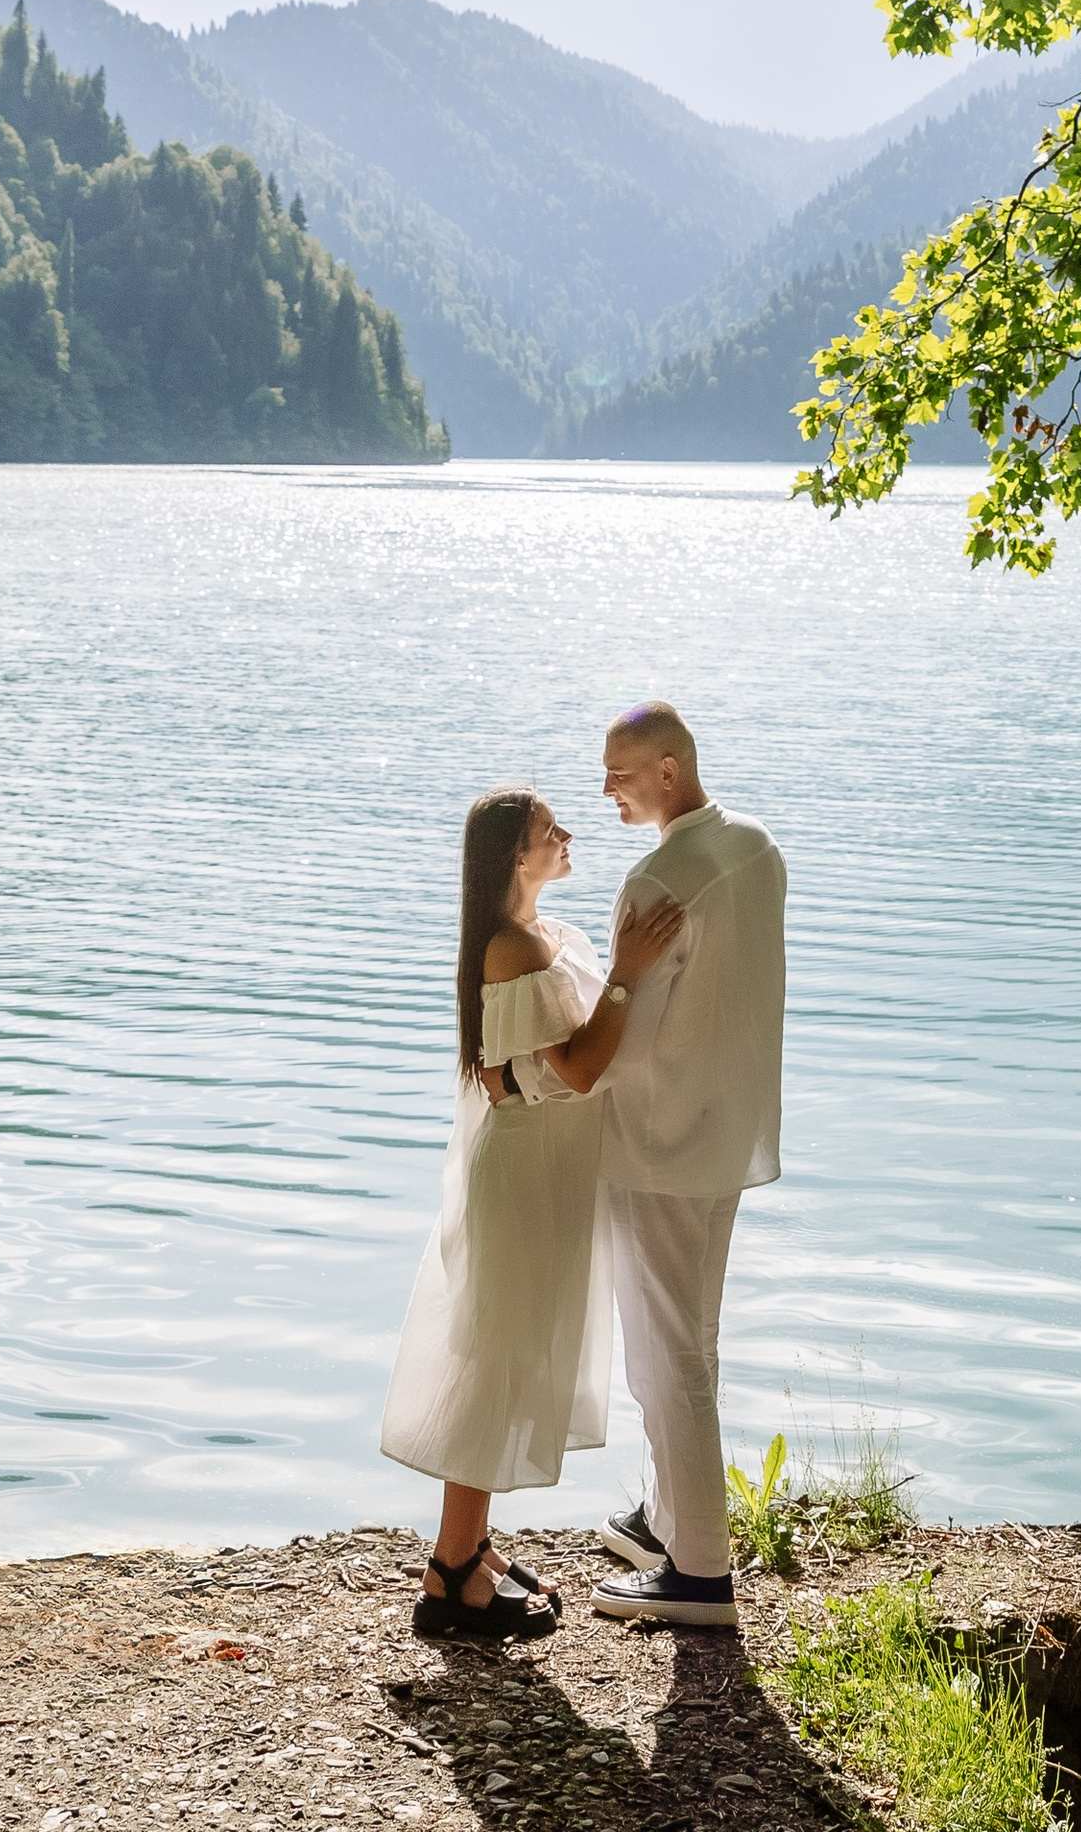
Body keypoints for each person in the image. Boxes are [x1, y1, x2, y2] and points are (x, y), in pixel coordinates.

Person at [488, 700, 786, 1632]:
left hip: (658, 1145)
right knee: (692, 1336)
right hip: (729, 1130)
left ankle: (699, 1576)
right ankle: (668, 1522)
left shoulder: (659, 880)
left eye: (618, 772)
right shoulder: (754, 847)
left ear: (667, 770)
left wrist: (517, 1075)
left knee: (667, 1358)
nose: (605, 789)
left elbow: (614, 1046)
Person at [380, 787, 685, 1643]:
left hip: (543, 1168)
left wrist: (618, 975)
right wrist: (628, 970)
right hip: (518, 1176)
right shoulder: (511, 946)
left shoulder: (551, 937)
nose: (568, 835)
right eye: (553, 829)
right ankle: (449, 1575)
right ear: (519, 853)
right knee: (493, 1355)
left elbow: (554, 1063)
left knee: (505, 1348)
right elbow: (584, 1069)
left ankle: (470, 1548)